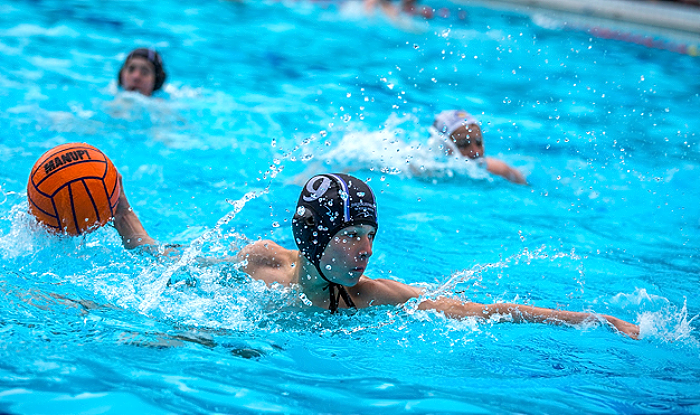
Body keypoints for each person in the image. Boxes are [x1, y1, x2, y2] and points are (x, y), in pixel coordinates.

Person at [236, 173, 640, 339]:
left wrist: (595, 320)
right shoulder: (260, 261)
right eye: (352, 235)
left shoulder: (374, 296)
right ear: (314, 237)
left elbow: (483, 311)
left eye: (370, 235)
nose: (367, 250)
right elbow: (186, 267)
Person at [431, 110, 528, 185]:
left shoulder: (499, 170)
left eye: (478, 143)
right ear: (442, 146)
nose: (476, 152)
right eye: (464, 144)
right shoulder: (428, 172)